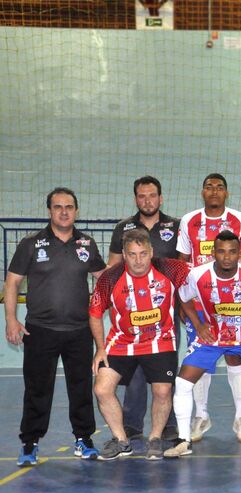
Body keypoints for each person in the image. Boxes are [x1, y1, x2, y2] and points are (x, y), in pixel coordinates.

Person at [5, 188, 106, 466]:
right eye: (58, 206)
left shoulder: (87, 244)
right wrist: (11, 319)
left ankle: (84, 439)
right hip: (40, 329)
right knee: (37, 388)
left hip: (78, 330)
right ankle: (30, 442)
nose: (64, 211)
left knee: (82, 387)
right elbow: (12, 282)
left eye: (69, 207)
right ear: (49, 210)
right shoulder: (31, 243)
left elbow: (105, 278)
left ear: (76, 211)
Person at [164, 231, 241, 458]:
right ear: (213, 254)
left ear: (240, 253)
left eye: (232, 252)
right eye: (221, 251)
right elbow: (181, 295)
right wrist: (199, 325)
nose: (227, 257)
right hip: (213, 338)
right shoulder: (197, 275)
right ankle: (183, 441)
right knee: (182, 382)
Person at [89, 229, 190, 460]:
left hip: (160, 341)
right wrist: (100, 348)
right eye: (132, 254)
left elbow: (205, 270)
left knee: (163, 390)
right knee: (102, 389)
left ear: (151, 252)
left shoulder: (170, 268)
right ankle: (122, 440)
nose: (138, 260)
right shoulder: (110, 278)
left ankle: (155, 438)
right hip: (121, 342)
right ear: (124, 255)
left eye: (143, 254)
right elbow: (95, 313)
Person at [177, 173, 241, 443]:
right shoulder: (189, 221)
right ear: (202, 192)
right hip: (201, 302)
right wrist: (184, 303)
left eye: (220, 187)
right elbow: (182, 264)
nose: (214, 191)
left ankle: (240, 416)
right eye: (209, 187)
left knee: (235, 356)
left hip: (235, 301)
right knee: (202, 359)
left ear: (227, 193)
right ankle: (201, 415)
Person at [107, 175, 179, 442]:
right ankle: (132, 424)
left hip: (165, 313)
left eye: (152, 195)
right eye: (141, 196)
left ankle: (168, 424)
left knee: (164, 371)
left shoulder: (176, 226)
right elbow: (114, 268)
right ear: (136, 198)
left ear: (160, 198)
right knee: (134, 371)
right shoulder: (123, 228)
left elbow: (185, 264)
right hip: (131, 312)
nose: (147, 200)